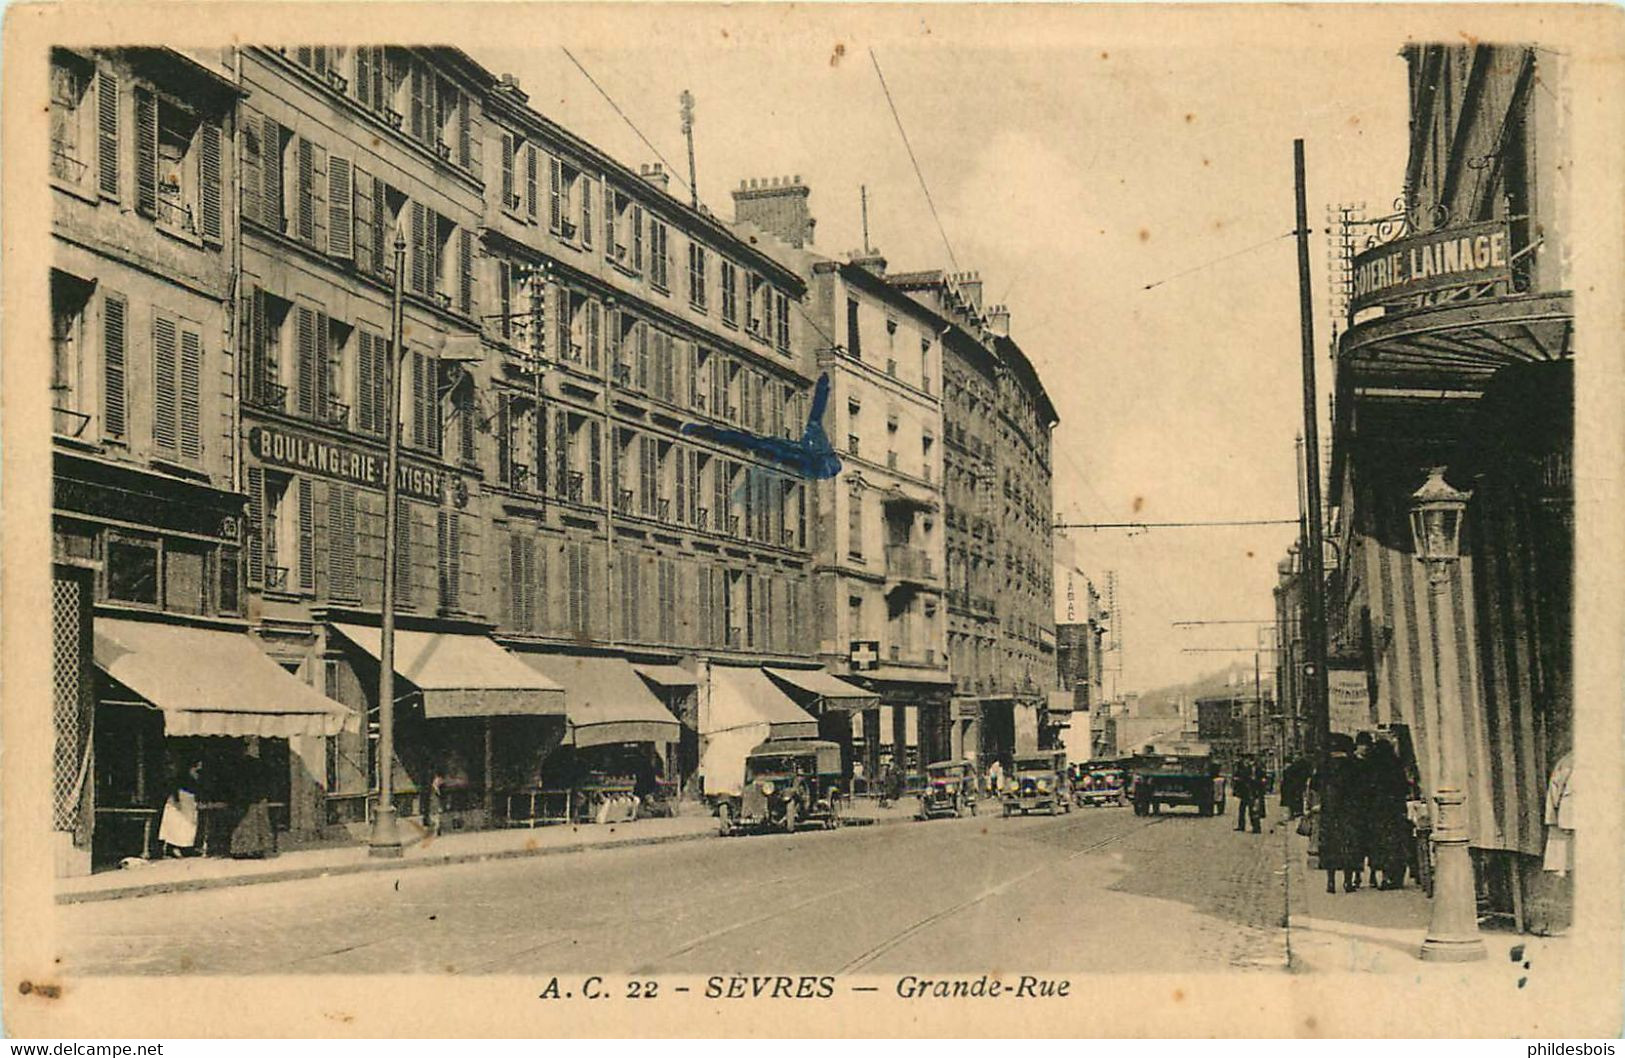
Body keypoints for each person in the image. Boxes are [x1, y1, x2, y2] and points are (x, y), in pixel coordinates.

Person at [1314, 734, 1362, 893]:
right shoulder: (1354, 764)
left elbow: (1314, 785)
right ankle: (1348, 882)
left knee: (1330, 846)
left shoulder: (1324, 765)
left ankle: (1331, 882)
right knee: (1349, 845)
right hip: (1350, 812)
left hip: (1330, 811)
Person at [228, 739, 276, 859]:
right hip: (253, 797)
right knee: (252, 824)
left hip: (247, 797)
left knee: (248, 824)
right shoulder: (253, 763)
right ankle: (253, 849)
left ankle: (243, 849)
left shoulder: (240, 763)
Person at [159, 760, 202, 858]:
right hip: (179, 801)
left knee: (189, 826)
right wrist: (177, 800)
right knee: (177, 824)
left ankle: (186, 848)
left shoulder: (195, 779)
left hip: (189, 801)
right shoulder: (180, 779)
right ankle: (173, 847)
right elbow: (175, 789)